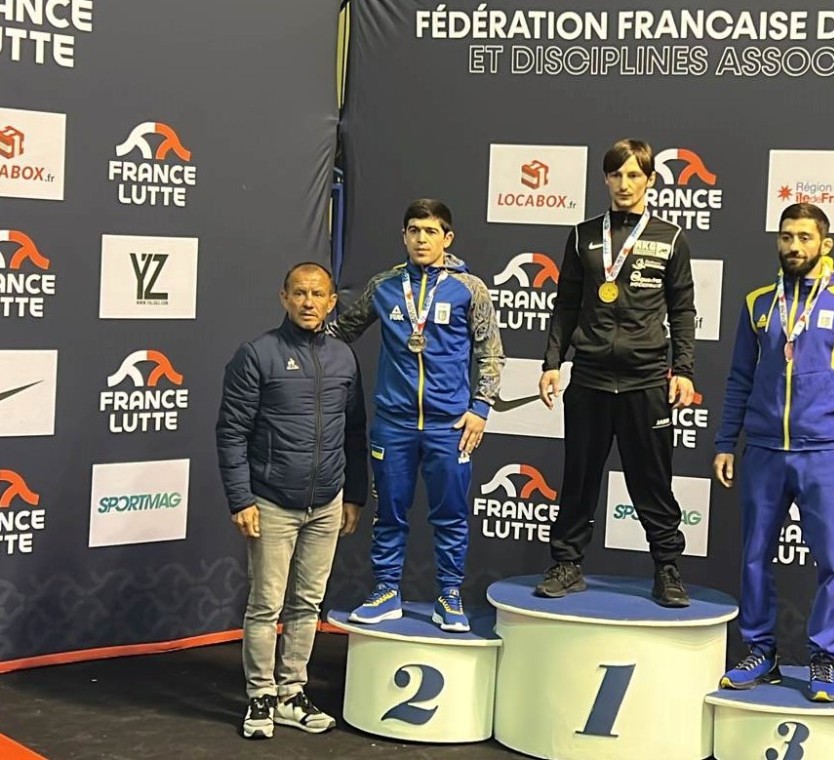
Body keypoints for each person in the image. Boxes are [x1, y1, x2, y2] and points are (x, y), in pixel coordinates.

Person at [712, 202, 834, 702]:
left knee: (832, 562)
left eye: (805, 237)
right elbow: (739, 378)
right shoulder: (758, 303)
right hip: (763, 451)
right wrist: (725, 442)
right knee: (754, 557)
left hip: (823, 454)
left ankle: (822, 659)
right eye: (786, 236)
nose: (794, 246)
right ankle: (760, 652)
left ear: (825, 244)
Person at [329, 198, 504, 632]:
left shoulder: (470, 289)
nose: (421, 239)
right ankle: (386, 591)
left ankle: (449, 596)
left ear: (447, 238)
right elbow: (341, 332)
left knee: (451, 516)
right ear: (404, 236)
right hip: (394, 424)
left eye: (430, 232)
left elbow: (490, 352)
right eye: (414, 231)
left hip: (450, 425)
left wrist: (481, 407)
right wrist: (297, 335)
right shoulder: (384, 286)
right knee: (389, 514)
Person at [536, 138, 697, 607]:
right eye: (616, 175)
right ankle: (567, 564)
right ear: (605, 179)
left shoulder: (670, 238)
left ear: (650, 180)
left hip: (646, 379)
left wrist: (683, 369)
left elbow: (683, 310)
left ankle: (667, 568)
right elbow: (566, 304)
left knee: (653, 482)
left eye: (633, 175)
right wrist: (552, 362)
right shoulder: (583, 235)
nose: (624, 184)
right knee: (579, 477)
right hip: (588, 377)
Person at [216, 262, 367, 739]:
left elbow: (355, 431)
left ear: (332, 302)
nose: (308, 302)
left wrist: (354, 494)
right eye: (299, 293)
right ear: (284, 298)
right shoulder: (257, 355)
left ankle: (290, 694)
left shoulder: (344, 358)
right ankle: (260, 696)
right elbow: (231, 433)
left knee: (307, 604)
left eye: (317, 294)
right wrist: (241, 499)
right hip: (272, 502)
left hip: (327, 503)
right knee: (266, 605)